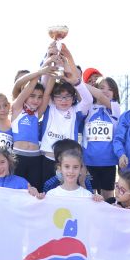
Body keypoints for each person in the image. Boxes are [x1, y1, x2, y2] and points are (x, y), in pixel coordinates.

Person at [39, 44, 92, 183]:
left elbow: (88, 100)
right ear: (53, 97)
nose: (63, 100)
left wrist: (75, 82)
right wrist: (50, 58)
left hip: (68, 163)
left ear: (73, 98)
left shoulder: (76, 111)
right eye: (59, 97)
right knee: (46, 192)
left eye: (68, 97)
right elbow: (44, 85)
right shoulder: (50, 106)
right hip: (47, 158)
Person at [11, 63, 56, 191]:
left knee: (35, 191)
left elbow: (47, 93)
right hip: (17, 157)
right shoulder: (17, 108)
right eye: (32, 96)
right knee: (17, 191)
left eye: (39, 97)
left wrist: (54, 70)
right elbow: (30, 86)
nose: (36, 100)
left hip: (35, 157)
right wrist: (42, 70)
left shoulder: (37, 113)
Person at [83, 76, 121, 199]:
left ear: (115, 93)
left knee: (108, 197)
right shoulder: (88, 107)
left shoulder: (115, 108)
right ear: (95, 89)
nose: (105, 91)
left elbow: (100, 96)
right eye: (102, 88)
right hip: (89, 161)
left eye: (110, 89)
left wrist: (77, 81)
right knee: (90, 196)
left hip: (109, 162)